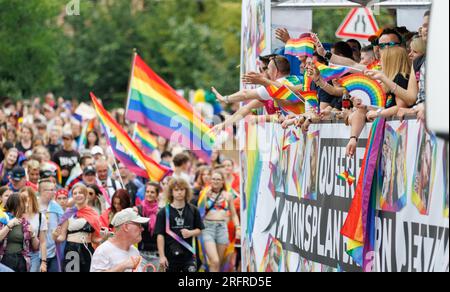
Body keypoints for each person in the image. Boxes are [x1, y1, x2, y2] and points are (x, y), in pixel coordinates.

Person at [155, 178, 204, 272]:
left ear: (186, 191)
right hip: (170, 256)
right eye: (176, 190)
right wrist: (162, 256)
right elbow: (160, 235)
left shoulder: (193, 210)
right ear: (171, 192)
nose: (179, 192)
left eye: (182, 189)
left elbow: (200, 230)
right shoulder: (163, 212)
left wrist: (191, 232)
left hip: (190, 255)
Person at [53, 183, 101, 272]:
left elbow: (94, 239)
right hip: (72, 249)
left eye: (80, 192)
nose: (77, 195)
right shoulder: (69, 213)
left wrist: (105, 237)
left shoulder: (93, 213)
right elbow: (62, 237)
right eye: (75, 193)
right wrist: (54, 236)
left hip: (87, 249)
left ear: (86, 194)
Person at [199, 170, 240, 272]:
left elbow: (234, 214)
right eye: (213, 179)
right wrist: (205, 198)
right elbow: (199, 212)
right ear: (210, 180)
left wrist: (238, 228)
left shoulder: (228, 195)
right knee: (215, 261)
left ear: (222, 182)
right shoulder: (204, 193)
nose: (216, 181)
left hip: (222, 229)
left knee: (219, 263)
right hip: (207, 228)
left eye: (218, 179)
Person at [0, 193, 38, 272]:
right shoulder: (3, 220)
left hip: (21, 260)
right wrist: (9, 226)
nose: (26, 205)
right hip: (6, 258)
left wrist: (33, 235)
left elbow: (36, 247)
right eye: (23, 202)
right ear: (15, 204)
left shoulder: (25, 223)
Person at [38, 179, 64, 272]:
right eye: (50, 189)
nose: (54, 192)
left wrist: (57, 237)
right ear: (41, 191)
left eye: (54, 189)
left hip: (53, 253)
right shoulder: (33, 207)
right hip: (35, 254)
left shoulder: (57, 208)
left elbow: (63, 233)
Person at [20, 187, 48, 272]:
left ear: (32, 198)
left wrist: (43, 262)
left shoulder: (40, 217)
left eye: (27, 197)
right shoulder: (16, 215)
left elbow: (43, 242)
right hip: (18, 255)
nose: (25, 200)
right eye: (22, 198)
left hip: (34, 255)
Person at [135, 182, 161, 271]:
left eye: (152, 192)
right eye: (147, 191)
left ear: (157, 195)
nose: (149, 194)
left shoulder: (161, 212)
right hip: (142, 253)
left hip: (157, 255)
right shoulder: (138, 209)